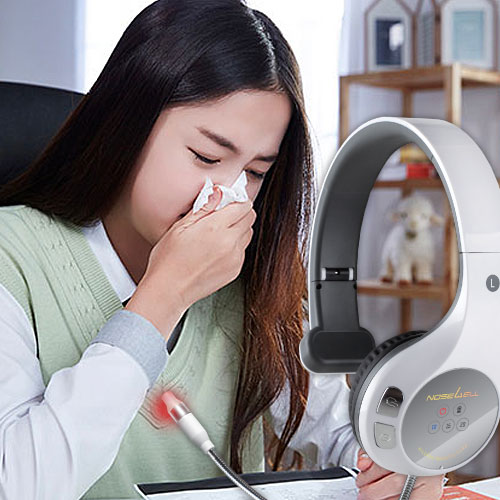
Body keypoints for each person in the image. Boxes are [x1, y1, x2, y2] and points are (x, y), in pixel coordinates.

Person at [0, 1, 445, 499]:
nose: (229, 197)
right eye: (206, 156)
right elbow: (19, 485)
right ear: (124, 128)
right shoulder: (11, 256)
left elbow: (344, 435)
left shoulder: (251, 276)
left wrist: (399, 464)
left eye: (255, 172)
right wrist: (164, 296)